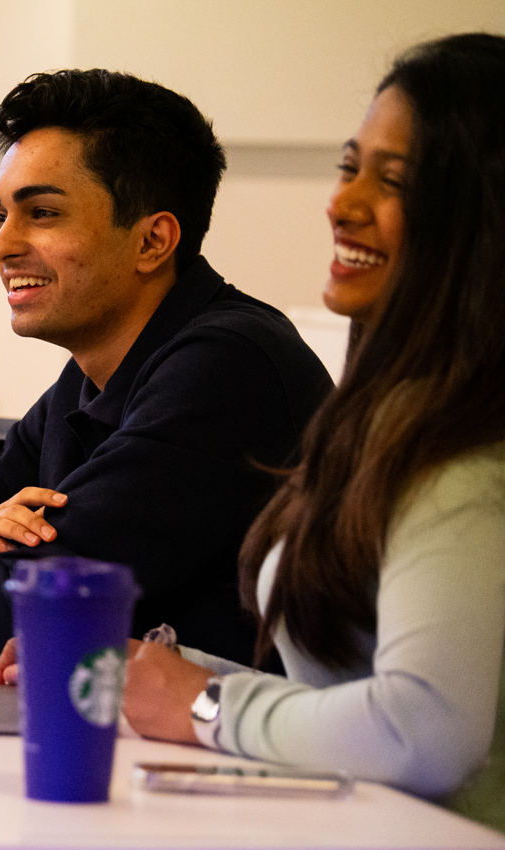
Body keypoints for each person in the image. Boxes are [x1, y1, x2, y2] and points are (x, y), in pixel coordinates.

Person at [106, 34, 505, 831]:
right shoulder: (391, 416)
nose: (342, 204)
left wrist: (205, 703)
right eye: (349, 167)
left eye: (392, 181)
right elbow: (343, 700)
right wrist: (157, 677)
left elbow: (422, 730)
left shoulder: (465, 456)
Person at [0, 70, 334, 665]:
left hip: (244, 752)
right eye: (0, 217)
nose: (2, 246)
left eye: (43, 213)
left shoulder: (227, 367)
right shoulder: (87, 377)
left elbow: (21, 620)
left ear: (153, 241)